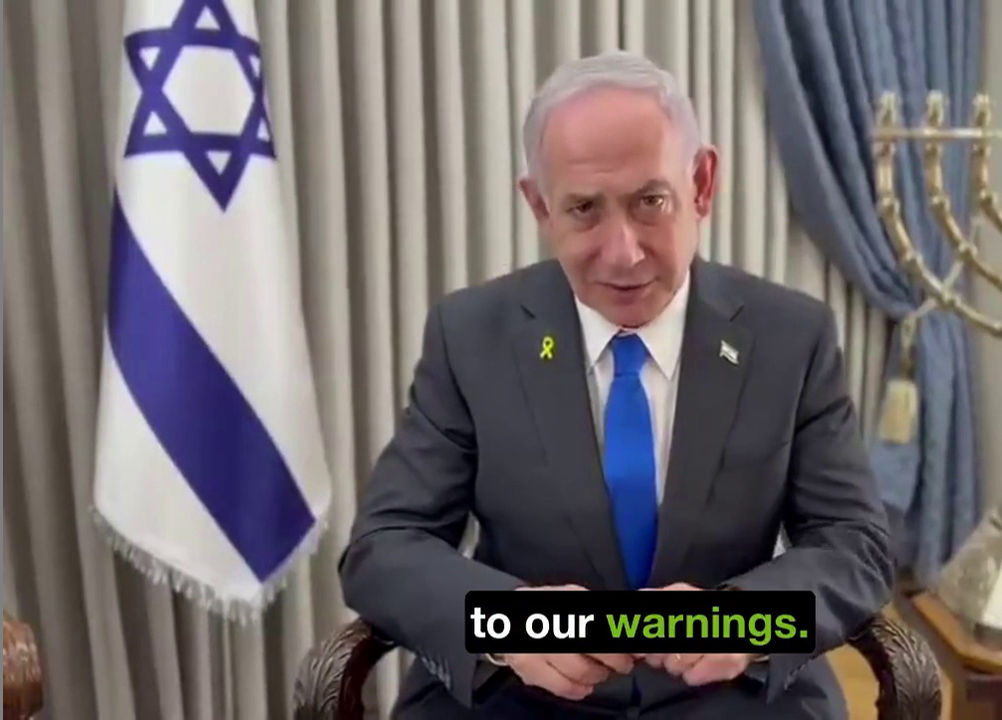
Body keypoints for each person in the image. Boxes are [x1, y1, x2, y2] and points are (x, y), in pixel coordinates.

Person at [339, 50, 894, 719]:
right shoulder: (471, 335)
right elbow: (384, 546)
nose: (623, 251)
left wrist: (750, 621)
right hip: (519, 697)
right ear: (540, 206)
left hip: (732, 698)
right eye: (583, 209)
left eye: (650, 201)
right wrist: (510, 624)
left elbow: (855, 544)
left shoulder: (791, 337)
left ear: (702, 184)